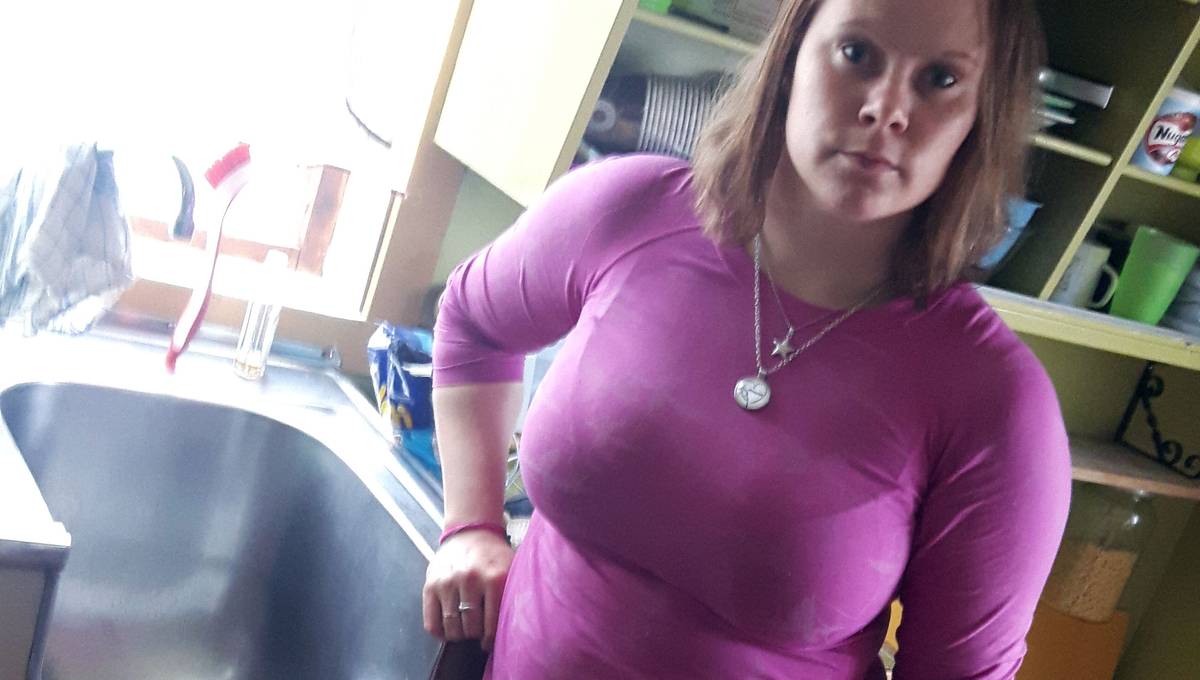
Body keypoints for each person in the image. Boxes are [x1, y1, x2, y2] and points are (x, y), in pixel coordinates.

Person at [423, 0, 1071, 677]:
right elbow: (472, 322)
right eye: (857, 54)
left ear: (980, 116)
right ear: (791, 56)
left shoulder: (994, 403)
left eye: (940, 79)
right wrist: (471, 526)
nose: (886, 109)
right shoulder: (627, 212)